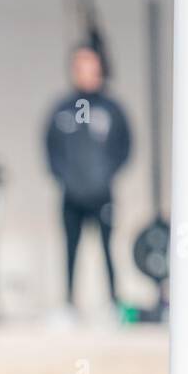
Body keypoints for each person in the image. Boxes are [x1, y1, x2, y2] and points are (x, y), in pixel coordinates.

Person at [44, 44, 132, 315]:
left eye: (91, 66)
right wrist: (65, 178)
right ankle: (69, 304)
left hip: (102, 193)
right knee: (70, 249)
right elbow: (50, 147)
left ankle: (112, 304)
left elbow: (125, 146)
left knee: (107, 248)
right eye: (81, 66)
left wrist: (105, 176)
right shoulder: (62, 109)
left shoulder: (112, 109)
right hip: (71, 194)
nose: (87, 72)